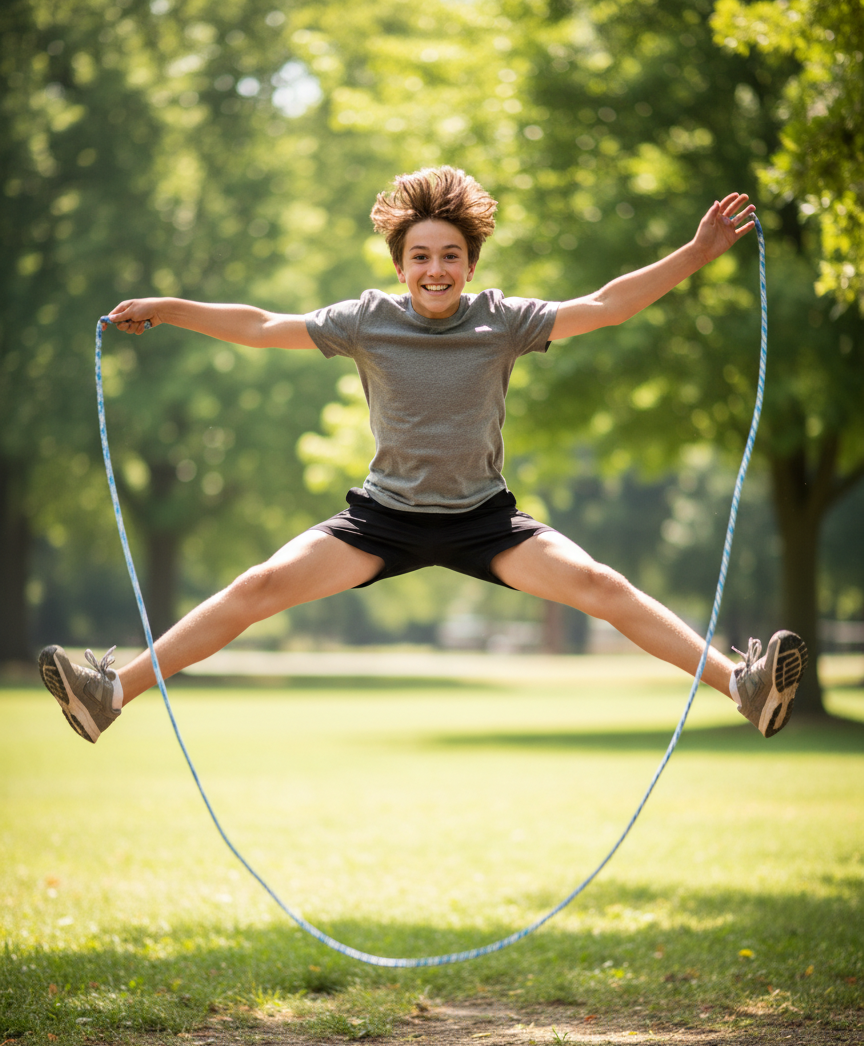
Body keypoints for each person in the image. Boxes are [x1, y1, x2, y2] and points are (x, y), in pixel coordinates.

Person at [39, 166, 807, 744]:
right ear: (399, 265)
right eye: (419, 257)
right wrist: (169, 310)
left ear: (470, 263)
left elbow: (607, 306)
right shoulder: (366, 321)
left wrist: (696, 254)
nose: (435, 270)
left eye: (449, 256)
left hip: (484, 520)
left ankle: (740, 685)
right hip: (382, 520)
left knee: (600, 584)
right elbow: (261, 324)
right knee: (259, 585)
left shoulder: (503, 321)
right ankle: (112, 694)